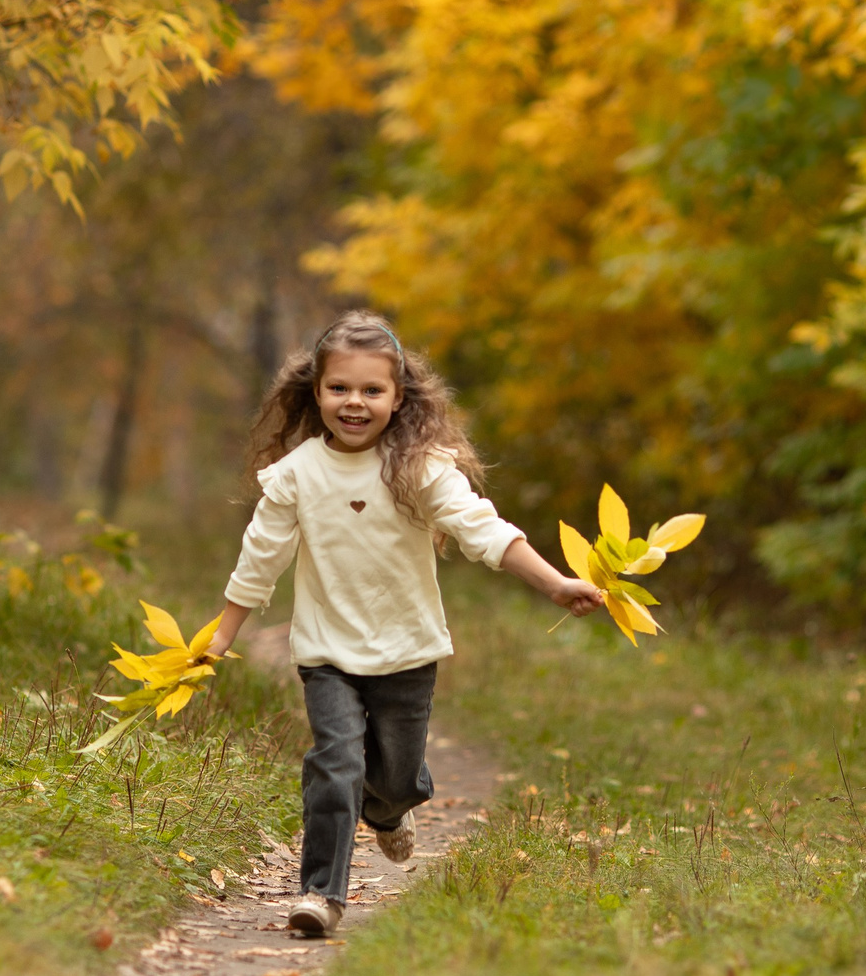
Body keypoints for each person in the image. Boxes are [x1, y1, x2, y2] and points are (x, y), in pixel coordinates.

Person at [204, 311, 605, 938]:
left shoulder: (418, 467)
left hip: (408, 650)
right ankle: (321, 895)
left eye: (372, 390)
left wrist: (553, 582)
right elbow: (261, 555)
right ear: (317, 392)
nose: (354, 403)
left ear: (398, 398)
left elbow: (481, 528)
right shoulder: (297, 475)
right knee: (335, 764)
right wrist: (224, 632)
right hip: (327, 651)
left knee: (393, 778)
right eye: (340, 388)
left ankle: (389, 812)